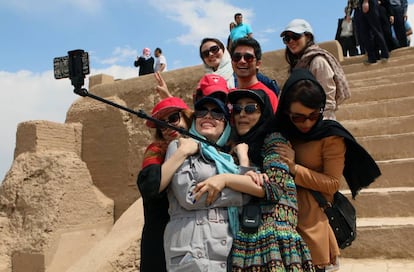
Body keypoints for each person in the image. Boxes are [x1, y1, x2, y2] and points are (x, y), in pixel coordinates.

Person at [272, 68, 381, 271]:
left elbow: (331, 184)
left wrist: (294, 168)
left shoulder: (330, 136)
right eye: (298, 117)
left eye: (314, 115)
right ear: (287, 112)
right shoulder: (280, 132)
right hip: (282, 226)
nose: (307, 123)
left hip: (314, 227)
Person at [163, 95, 262, 271]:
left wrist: (243, 161)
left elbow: (254, 196)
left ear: (225, 124)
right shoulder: (182, 147)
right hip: (193, 250)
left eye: (217, 113)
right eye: (202, 112)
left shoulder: (230, 159)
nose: (208, 116)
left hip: (229, 250)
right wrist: (242, 192)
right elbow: (190, 197)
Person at [224, 89, 315, 271]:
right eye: (237, 108)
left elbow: (273, 189)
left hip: (274, 240)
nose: (242, 114)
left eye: (250, 108)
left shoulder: (274, 141)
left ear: (263, 113)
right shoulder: (235, 147)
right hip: (248, 240)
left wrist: (226, 178)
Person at [136, 96, 193, 272]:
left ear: (186, 118)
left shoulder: (202, 147)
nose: (169, 126)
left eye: (174, 118)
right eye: (162, 124)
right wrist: (181, 153)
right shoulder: (156, 151)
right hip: (160, 241)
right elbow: (151, 187)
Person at [281, 18, 350, 120]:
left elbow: (327, 100)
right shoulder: (299, 64)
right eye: (287, 39)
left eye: (295, 36)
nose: (291, 41)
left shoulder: (318, 62)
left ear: (308, 37)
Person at [229, 37, 279, 112]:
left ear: (258, 64)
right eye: (237, 57)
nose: (242, 61)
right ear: (232, 62)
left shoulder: (268, 96)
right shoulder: (229, 96)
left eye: (248, 57)